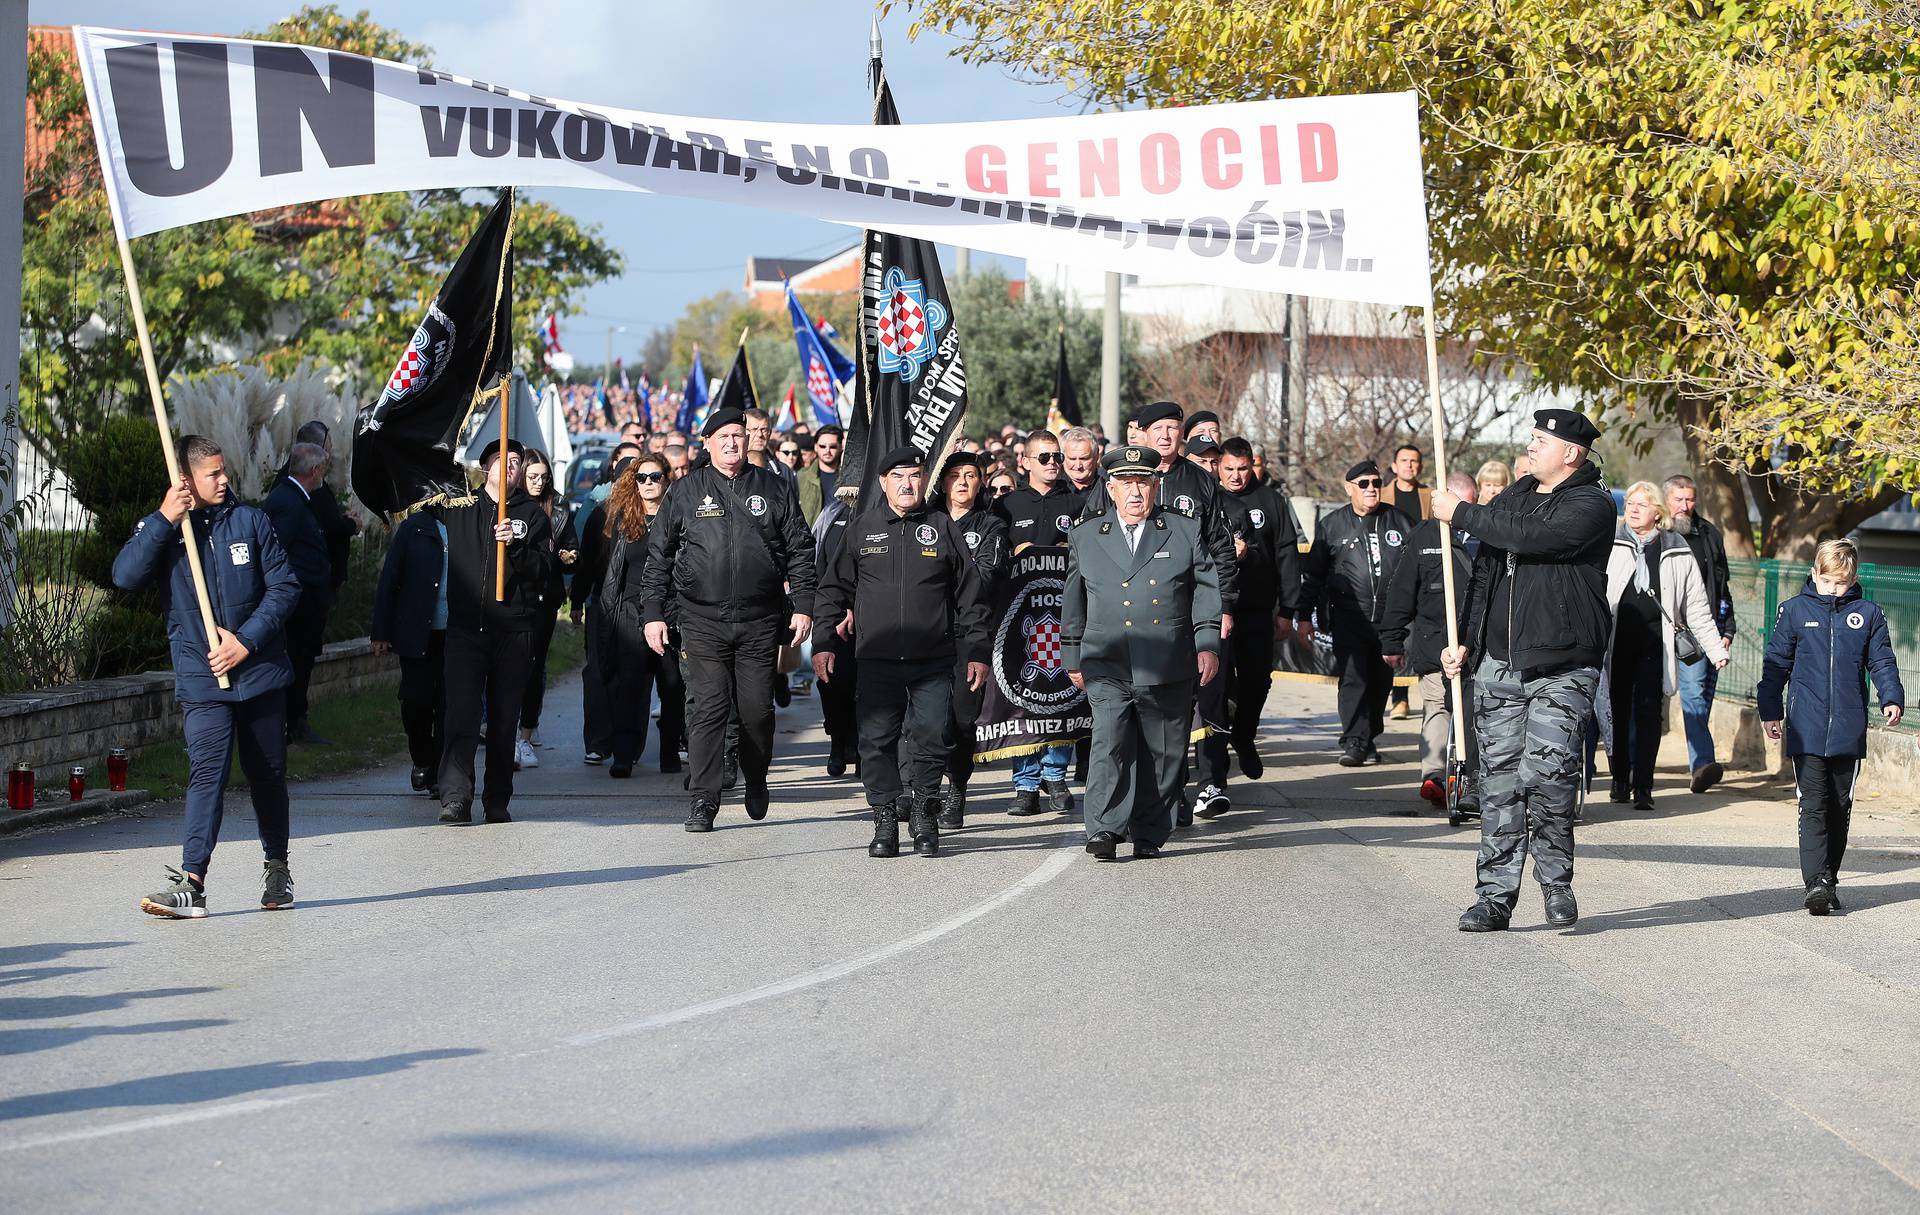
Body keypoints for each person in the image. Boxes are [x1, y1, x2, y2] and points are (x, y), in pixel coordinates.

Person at [1436, 408, 1617, 932]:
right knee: (1498, 783)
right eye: (1532, 438)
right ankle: (1494, 897)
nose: (1531, 446)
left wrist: (1464, 513)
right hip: (1500, 666)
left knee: (1549, 773)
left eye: (1542, 440)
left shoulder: (1591, 505)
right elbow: (1485, 577)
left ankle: (1557, 884)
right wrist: (1464, 642)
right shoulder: (1514, 496)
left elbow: (1538, 538)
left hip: (1564, 666)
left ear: (1571, 453)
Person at [114, 435, 300, 918]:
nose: (224, 479)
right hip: (202, 679)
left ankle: (277, 865)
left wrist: (245, 640)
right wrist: (163, 519)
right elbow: (125, 577)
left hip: (258, 673)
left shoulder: (251, 521)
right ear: (186, 480)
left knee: (268, 776)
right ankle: (191, 883)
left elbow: (284, 588)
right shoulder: (166, 531)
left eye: (224, 471)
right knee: (206, 776)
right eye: (212, 473)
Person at [639, 407, 815, 832]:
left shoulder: (774, 488)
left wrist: (805, 604)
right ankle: (703, 798)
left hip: (758, 622)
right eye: (723, 437)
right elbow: (658, 558)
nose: (733, 443)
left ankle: (756, 777)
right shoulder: (684, 492)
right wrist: (653, 615)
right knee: (708, 710)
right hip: (701, 621)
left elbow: (801, 550)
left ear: (749, 440)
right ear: (708, 444)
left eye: (739, 435)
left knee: (756, 711)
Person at [815, 448, 990, 857]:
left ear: (923, 480)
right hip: (875, 659)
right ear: (883, 483)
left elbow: (971, 597)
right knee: (876, 741)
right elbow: (831, 590)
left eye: (915, 476)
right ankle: (885, 817)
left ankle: (925, 811)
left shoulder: (941, 527)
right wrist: (824, 641)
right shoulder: (862, 528)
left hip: (933, 659)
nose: (908, 484)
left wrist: (978, 650)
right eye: (899, 477)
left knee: (932, 737)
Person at [1081, 401, 1239, 824]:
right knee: (1115, 731)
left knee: (1169, 726)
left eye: (1173, 428)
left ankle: (1171, 800)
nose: (1167, 436)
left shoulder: (1200, 482)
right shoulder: (1110, 482)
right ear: (1142, 434)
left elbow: (1217, 548)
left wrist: (1222, 607)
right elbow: (1090, 548)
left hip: (1178, 622)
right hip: (1119, 630)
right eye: (1159, 429)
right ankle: (1115, 817)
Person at [1062, 444, 1223, 860]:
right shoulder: (1086, 535)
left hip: (1167, 660)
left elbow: (1205, 591)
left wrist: (1207, 643)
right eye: (1126, 484)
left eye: (1144, 483)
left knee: (1165, 752)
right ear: (1110, 489)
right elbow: (1073, 598)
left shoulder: (1183, 530)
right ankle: (1104, 829)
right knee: (1109, 742)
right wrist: (1071, 652)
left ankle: (1150, 830)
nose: (1136, 493)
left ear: (1157, 486)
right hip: (1107, 657)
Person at [1757, 539, 1906, 915]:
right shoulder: (1792, 611)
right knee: (1813, 804)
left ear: (1852, 579)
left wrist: (1891, 695)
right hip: (1805, 725)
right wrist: (1769, 709)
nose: (1834, 589)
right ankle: (1816, 882)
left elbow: (1883, 661)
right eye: (1827, 582)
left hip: (1848, 725)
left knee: (1839, 805)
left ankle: (1830, 878)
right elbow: (1776, 665)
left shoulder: (1869, 614)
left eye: (1841, 583)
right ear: (1815, 575)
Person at [436, 439, 557, 825]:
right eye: (502, 460)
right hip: (467, 629)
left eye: (517, 462)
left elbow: (544, 570)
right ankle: (455, 797)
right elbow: (430, 479)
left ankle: (497, 799)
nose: (510, 467)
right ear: (485, 467)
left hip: (513, 630)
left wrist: (517, 546)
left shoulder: (531, 515)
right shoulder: (462, 507)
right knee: (461, 714)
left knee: (504, 718)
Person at [1602, 481, 1730, 812]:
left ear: (1658, 512)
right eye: (1630, 503)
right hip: (1616, 645)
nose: (1632, 509)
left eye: (1641, 504)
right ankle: (1619, 778)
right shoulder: (1610, 543)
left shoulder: (1676, 548)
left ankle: (1642, 785)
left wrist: (1715, 649)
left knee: (1648, 714)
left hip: (1655, 647)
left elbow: (1697, 607)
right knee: (1616, 712)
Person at [1294, 459, 1414, 766]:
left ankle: (1369, 736)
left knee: (1380, 682)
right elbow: (1314, 576)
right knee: (1353, 680)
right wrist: (1304, 616)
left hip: (1390, 620)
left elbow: (1416, 570)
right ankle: (1354, 741)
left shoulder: (1400, 521)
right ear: (1350, 488)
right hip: (1349, 617)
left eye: (1376, 483)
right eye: (1364, 484)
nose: (1371, 489)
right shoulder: (1332, 525)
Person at [993, 428, 1085, 816]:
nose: (1053, 464)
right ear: (1025, 462)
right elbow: (992, 560)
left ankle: (1056, 776)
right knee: (1025, 701)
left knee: (1062, 697)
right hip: (1021, 625)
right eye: (1044, 457)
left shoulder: (1079, 501)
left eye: (1057, 457)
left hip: (1066, 621)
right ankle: (1025, 785)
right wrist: (1017, 551)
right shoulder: (1006, 506)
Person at [1380, 471, 1480, 813]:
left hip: (1478, 646)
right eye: (1461, 501)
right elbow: (1401, 592)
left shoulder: (1487, 536)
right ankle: (1435, 775)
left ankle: (1474, 775)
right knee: (1437, 704)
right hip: (1434, 641)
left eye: (1472, 502)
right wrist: (1392, 640)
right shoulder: (1424, 537)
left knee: (1474, 710)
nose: (1467, 509)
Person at [1217, 436, 1301, 778]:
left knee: (1257, 680)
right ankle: (1214, 753)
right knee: (1217, 684)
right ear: (1218, 468)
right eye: (1229, 469)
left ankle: (1245, 735)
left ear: (1253, 465)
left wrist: (1288, 610)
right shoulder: (1210, 498)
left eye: (1242, 468)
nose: (1236, 476)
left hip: (1257, 607)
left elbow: (1286, 553)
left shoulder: (1270, 500)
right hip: (1218, 608)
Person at [932, 450, 1008, 827]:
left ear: (981, 483)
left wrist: (936, 578)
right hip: (926, 634)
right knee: (926, 717)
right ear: (942, 481)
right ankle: (922, 790)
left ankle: (956, 788)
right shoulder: (926, 522)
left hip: (968, 634)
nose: (963, 481)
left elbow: (987, 578)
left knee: (961, 720)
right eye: (955, 474)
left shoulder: (992, 526)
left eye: (971, 475)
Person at [597, 453, 683, 777]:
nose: (648, 483)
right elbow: (612, 572)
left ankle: (669, 752)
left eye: (655, 476)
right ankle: (623, 753)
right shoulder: (623, 520)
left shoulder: (678, 519)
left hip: (670, 612)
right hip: (631, 612)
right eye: (642, 477)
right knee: (630, 687)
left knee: (673, 687)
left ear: (666, 480)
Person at [1663, 473, 1738, 793]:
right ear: (1666, 500)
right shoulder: (1660, 534)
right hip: (1676, 630)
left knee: (1704, 696)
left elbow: (1723, 586)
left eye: (1690, 499)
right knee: (1692, 695)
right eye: (1678, 499)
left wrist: (1728, 629)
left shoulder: (1709, 534)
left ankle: (1700, 759)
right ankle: (1703, 763)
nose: (1685, 505)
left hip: (1711, 629)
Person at [371, 503, 448, 800]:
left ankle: (442, 774)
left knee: (448, 705)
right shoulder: (414, 527)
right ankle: (423, 756)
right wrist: (381, 631)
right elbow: (390, 579)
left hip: (455, 633)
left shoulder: (465, 523)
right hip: (417, 631)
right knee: (416, 701)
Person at [570, 443, 642, 764]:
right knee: (599, 671)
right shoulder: (601, 514)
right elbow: (586, 562)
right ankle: (599, 741)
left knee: (633, 674)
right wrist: (576, 600)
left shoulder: (652, 515)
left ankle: (627, 743)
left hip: (637, 604)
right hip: (601, 601)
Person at [261, 442, 334, 746]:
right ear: (315, 470)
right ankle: (292, 723)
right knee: (297, 659)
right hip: (297, 605)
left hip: (306, 601)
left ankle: (295, 721)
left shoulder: (296, 499)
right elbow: (276, 552)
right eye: (323, 470)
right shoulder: (288, 502)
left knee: (302, 659)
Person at [515, 449, 578, 771]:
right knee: (512, 663)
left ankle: (526, 732)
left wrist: (568, 554)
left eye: (543, 477)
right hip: (514, 597)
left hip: (544, 597)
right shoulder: (509, 506)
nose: (539, 482)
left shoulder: (560, 507)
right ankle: (506, 725)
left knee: (534, 662)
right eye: (532, 476)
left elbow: (571, 544)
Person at [794, 423, 843, 524]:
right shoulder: (801, 476)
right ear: (815, 447)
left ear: (840, 447)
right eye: (822, 446)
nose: (827, 451)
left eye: (832, 447)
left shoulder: (849, 479)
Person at [744, 407, 792, 483]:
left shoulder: (783, 471)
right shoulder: (730, 467)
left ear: (769, 433)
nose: (760, 434)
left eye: (764, 430)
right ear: (743, 432)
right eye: (754, 429)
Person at [1061, 426, 1101, 495]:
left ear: (1096, 456)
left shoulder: (1109, 488)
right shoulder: (1051, 487)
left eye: (1084, 458)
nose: (1078, 466)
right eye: (1072, 459)